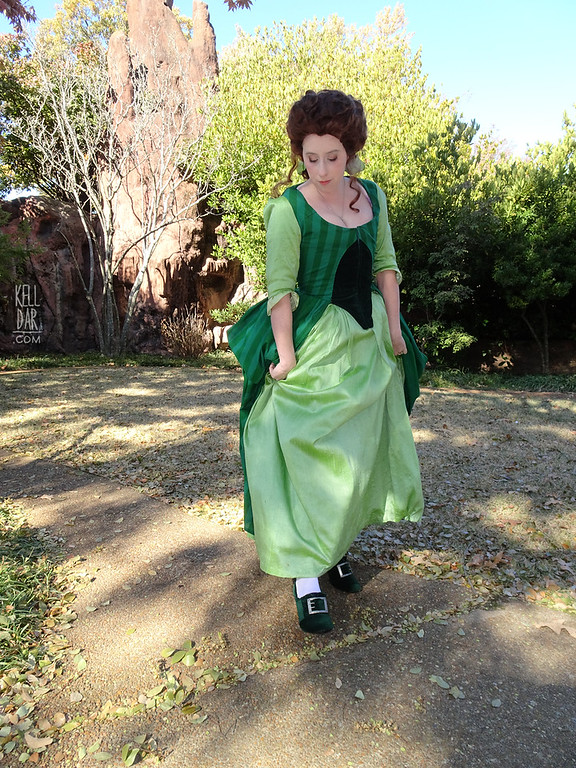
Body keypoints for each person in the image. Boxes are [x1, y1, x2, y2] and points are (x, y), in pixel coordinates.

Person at [228, 89, 424, 634]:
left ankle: (334, 548)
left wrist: (394, 332)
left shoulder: (373, 197)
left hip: (366, 342)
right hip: (314, 341)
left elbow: (385, 265)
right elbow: (281, 290)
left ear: (351, 151)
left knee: (353, 458)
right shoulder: (287, 210)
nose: (320, 169)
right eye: (310, 157)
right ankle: (306, 577)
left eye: (332, 157)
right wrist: (287, 356)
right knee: (306, 456)